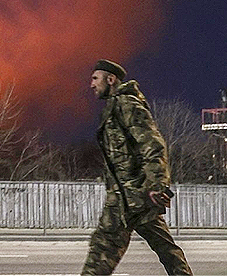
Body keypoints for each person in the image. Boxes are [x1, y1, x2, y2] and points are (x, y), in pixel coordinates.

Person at [81, 59, 193, 275]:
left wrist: (157, 184)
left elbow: (153, 144)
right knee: (165, 250)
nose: (91, 84)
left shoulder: (126, 104)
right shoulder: (114, 107)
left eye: (95, 78)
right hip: (129, 196)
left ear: (110, 79)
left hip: (133, 196)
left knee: (103, 250)